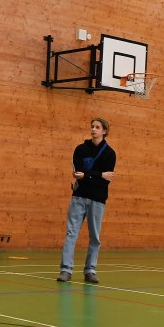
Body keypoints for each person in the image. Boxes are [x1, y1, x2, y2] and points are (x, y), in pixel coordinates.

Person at [56, 118, 116, 284]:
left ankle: (90, 270)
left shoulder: (110, 154)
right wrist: (98, 174)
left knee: (95, 236)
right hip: (79, 197)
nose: (93, 129)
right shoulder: (80, 149)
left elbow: (106, 180)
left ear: (104, 131)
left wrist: (90, 175)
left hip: (98, 200)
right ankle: (66, 269)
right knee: (71, 233)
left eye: (97, 127)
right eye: (92, 126)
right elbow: (78, 175)